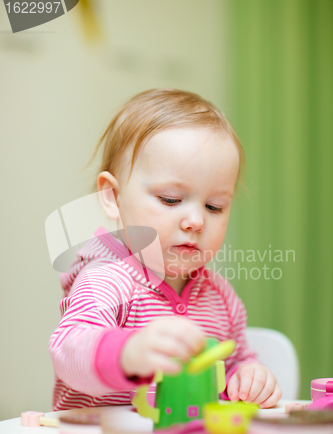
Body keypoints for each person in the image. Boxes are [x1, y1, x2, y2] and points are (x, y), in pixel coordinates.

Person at [49, 89, 282, 411]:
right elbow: (69, 351)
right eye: (171, 199)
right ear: (113, 198)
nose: (196, 220)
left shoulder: (221, 298)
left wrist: (248, 376)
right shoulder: (108, 280)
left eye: (214, 207)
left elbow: (236, 360)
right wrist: (127, 353)